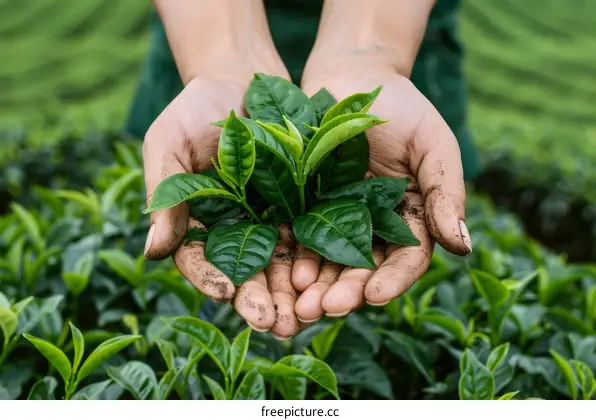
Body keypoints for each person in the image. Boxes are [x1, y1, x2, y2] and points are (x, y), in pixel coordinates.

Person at [129, 0, 479, 340]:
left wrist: (366, 52)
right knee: (217, 328)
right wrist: (222, 60)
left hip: (400, 26)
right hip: (200, 27)